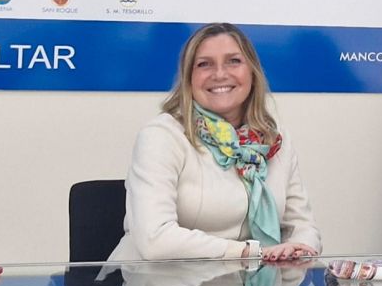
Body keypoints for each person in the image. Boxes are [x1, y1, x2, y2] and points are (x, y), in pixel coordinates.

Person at [109, 23, 322, 262]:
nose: (220, 74)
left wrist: (300, 248)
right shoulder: (161, 136)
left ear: (252, 73)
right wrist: (248, 252)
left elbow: (302, 226)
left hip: (251, 277)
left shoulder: (274, 139)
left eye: (233, 61)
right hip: (159, 278)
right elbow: (154, 240)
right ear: (189, 78)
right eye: (204, 64)